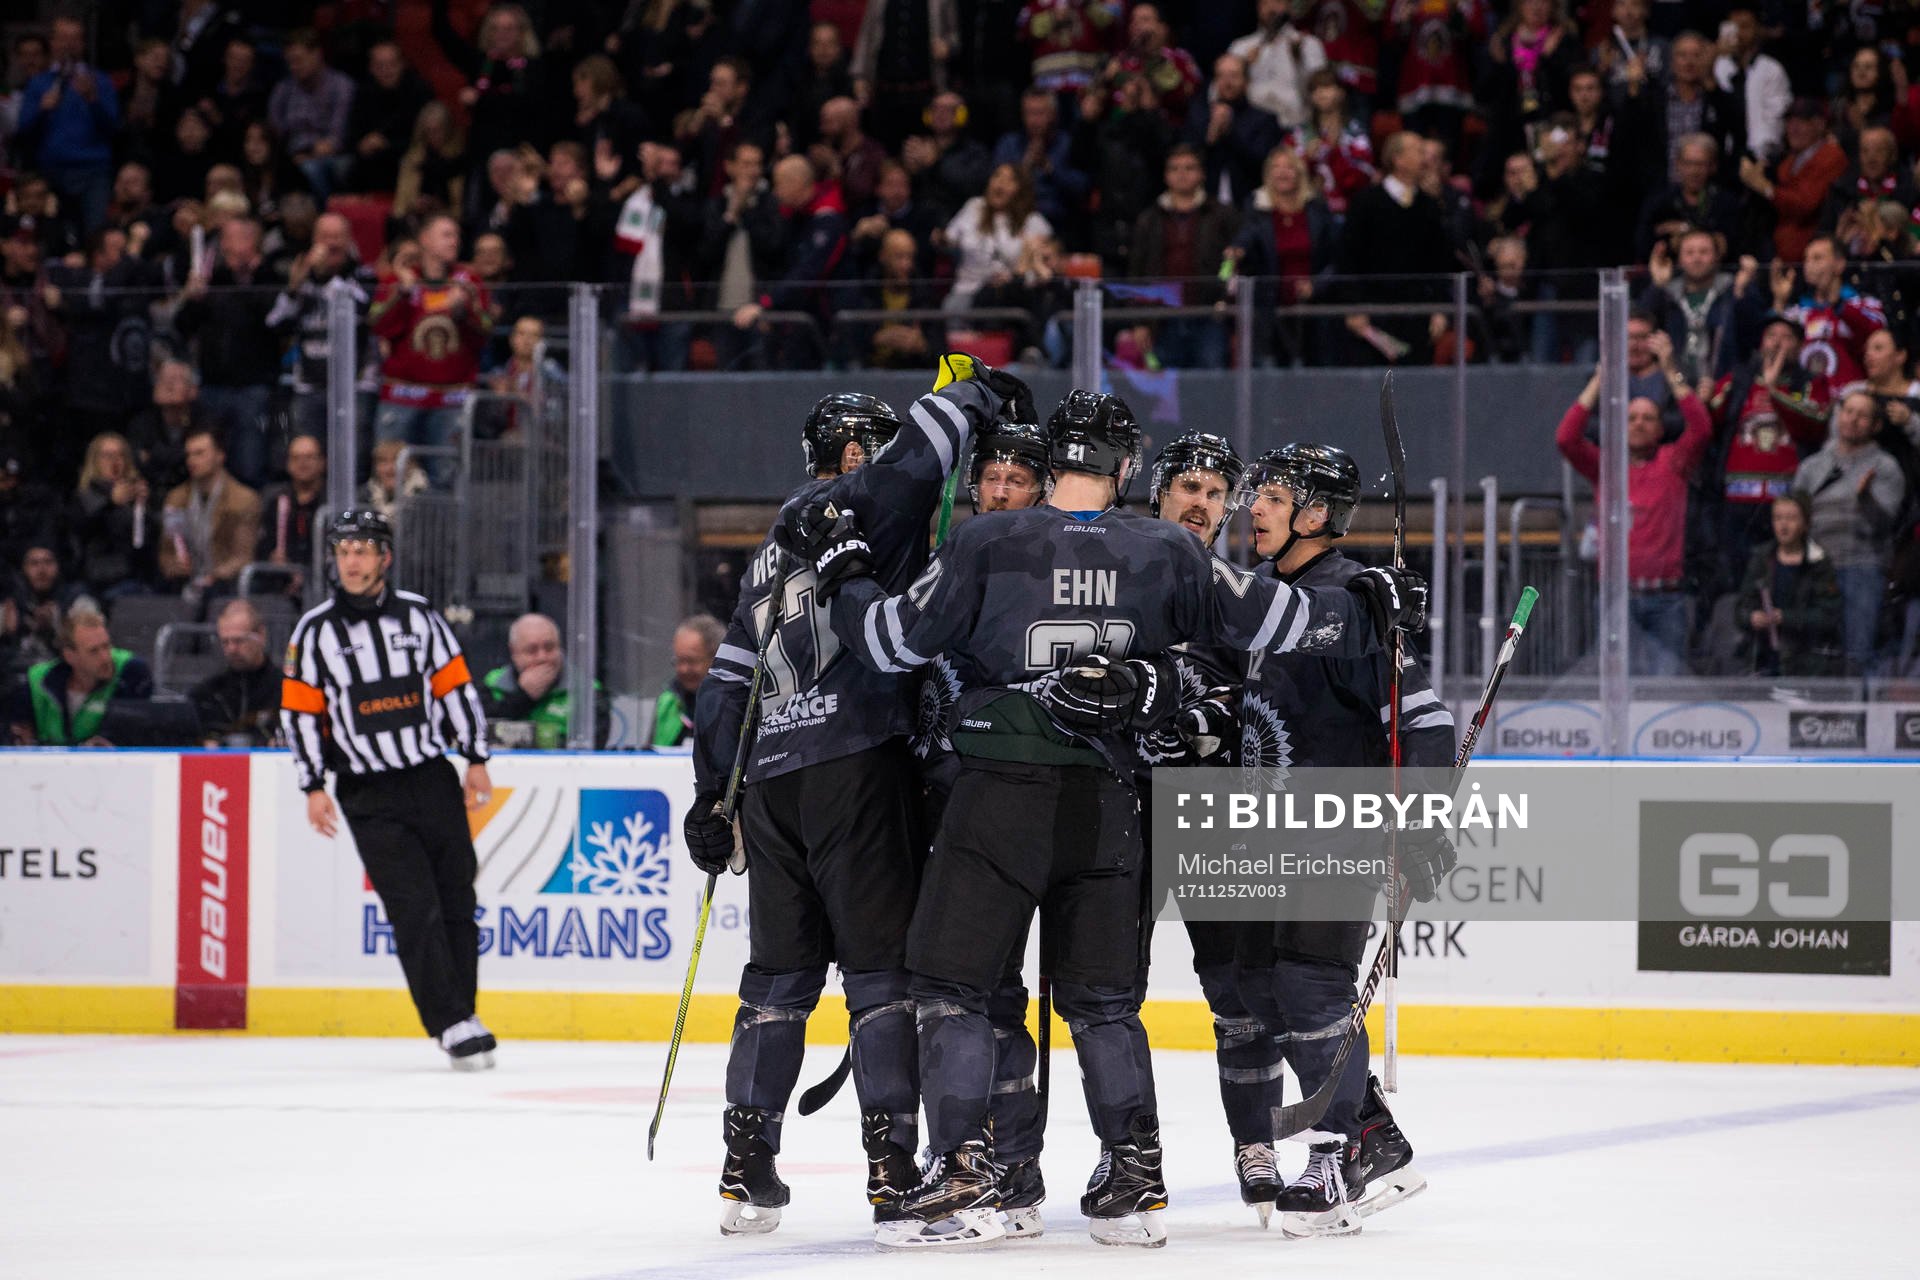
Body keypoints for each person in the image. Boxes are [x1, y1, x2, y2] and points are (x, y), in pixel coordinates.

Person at [795, 385, 1423, 1249]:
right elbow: (1290, 619)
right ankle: (1135, 1176)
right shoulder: (1168, 550)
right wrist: (1371, 606)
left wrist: (845, 574)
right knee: (1104, 1004)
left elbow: (889, 643)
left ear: (1052, 460)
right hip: (1110, 805)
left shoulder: (984, 540)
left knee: (951, 988)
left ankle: (970, 1176)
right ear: (1128, 469)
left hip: (1000, 800)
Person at [681, 373, 1017, 1240]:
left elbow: (724, 691)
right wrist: (975, 397)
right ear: (856, 452)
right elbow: (916, 465)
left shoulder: (765, 551)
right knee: (881, 979)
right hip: (855, 766)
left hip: (772, 786)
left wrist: (712, 798)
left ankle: (745, 1169)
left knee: (776, 982)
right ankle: (890, 1169)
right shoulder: (856, 504)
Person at [1234, 443, 1448, 1236]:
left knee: (1314, 990)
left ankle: (1337, 1154)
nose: (1253, 505)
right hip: (1259, 828)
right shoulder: (1261, 593)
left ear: (1315, 514)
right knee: (1256, 987)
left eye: (1273, 495)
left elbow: (1423, 720)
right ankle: (1374, 1130)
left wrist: (1421, 820)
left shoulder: (1353, 600)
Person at [1135, 432, 1289, 1224]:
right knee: (1107, 994)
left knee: (1238, 990)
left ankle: (1256, 1144)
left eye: (1216, 491)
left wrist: (1215, 714)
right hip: (1119, 806)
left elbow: (1274, 695)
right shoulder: (1109, 573)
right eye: (1188, 485)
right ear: (1156, 491)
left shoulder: (1242, 593)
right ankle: (1124, 1157)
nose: (1202, 502)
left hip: (1212, 812)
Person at [282, 509, 497, 1069]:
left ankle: (464, 1012)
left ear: (385, 557)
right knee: (412, 908)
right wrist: (312, 784)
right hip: (366, 792)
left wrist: (475, 756)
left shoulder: (421, 618)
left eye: (362, 549)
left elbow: (455, 686)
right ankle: (447, 1021)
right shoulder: (314, 632)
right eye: (343, 550)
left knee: (457, 899)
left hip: (430, 777)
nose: (351, 560)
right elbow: (300, 714)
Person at [1558, 362, 1714, 676]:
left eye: (1648, 418)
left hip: (1666, 600)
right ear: (1619, 427)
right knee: (1615, 685)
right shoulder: (1605, 466)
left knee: (1665, 689)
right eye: (1631, 418)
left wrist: (1672, 372)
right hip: (1616, 598)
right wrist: (1599, 382)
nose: (1639, 424)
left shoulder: (1674, 462)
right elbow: (1566, 438)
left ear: (1660, 429)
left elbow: (1701, 429)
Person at [368, 213, 495, 481]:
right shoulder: (399, 279)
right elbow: (377, 325)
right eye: (446, 235)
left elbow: (485, 333)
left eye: (457, 235)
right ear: (425, 240)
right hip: (402, 397)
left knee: (448, 479)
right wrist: (402, 294)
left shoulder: (469, 281)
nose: (455, 241)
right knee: (391, 476)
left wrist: (465, 312)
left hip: (452, 400)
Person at [1793, 390, 1906, 674]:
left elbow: (1885, 524)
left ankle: (1860, 716)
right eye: (1848, 411)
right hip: (1817, 571)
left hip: (1862, 568)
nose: (1853, 420)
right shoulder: (1812, 466)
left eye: (1862, 415)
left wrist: (1865, 498)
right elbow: (1795, 518)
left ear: (1875, 426)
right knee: (1809, 654)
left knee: (1858, 654)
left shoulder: (1886, 467)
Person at [15, 14, 121, 234]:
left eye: (74, 39)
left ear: (82, 43)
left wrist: (93, 101)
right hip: (51, 172)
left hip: (93, 172)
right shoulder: (39, 83)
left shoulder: (99, 81)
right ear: (53, 43)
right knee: (49, 235)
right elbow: (22, 131)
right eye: (63, 39)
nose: (68, 46)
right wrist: (42, 110)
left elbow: (114, 128)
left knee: (95, 235)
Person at [3, 605, 153, 746]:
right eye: (94, 651)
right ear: (70, 656)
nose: (105, 657)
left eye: (106, 646)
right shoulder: (38, 681)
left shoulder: (130, 672)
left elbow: (126, 735)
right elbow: (16, 735)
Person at [1736, 493, 1843, 677]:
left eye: (1791, 518)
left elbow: (1829, 616)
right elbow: (1741, 608)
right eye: (1778, 518)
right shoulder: (1762, 558)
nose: (1783, 526)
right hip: (1763, 659)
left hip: (1807, 662)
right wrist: (1752, 617)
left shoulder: (1818, 563)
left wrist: (1786, 618)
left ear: (1805, 523)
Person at [159, 428, 262, 603]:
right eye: (189, 455)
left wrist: (214, 576)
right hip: (185, 582)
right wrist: (174, 565)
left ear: (220, 456)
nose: (192, 461)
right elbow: (167, 552)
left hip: (226, 586)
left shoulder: (244, 499)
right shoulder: (175, 499)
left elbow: (243, 557)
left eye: (199, 453)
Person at [480, 611, 606, 748]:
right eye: (531, 650)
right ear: (514, 652)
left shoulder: (587, 691)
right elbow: (480, 732)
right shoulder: (493, 685)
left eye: (549, 648)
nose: (542, 657)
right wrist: (522, 697)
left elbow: (595, 743)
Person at [72, 431, 160, 599]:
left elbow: (146, 541)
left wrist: (143, 509)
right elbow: (82, 531)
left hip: (133, 576)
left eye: (121, 455)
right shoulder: (84, 496)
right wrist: (110, 503)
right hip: (95, 578)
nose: (115, 461)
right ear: (95, 461)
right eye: (107, 456)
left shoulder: (136, 496)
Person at [190, 597, 280, 745]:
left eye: (239, 641)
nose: (231, 649)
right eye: (225, 642)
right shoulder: (206, 694)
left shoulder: (285, 689)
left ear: (261, 635)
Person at [1228, 0, 1326, 131]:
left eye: (1278, 2)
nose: (1271, 8)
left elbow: (1323, 91)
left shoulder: (1309, 45)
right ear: (1258, 8)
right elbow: (1221, 91)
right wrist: (1245, 67)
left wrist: (1299, 61)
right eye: (1265, 3)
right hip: (1251, 130)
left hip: (1297, 126)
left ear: (1289, 7)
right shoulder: (1240, 47)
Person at [255, 434, 326, 597]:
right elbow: (262, 546)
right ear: (288, 463)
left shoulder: (332, 503)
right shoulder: (275, 501)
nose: (302, 463)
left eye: (309, 457)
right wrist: (271, 558)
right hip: (280, 585)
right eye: (296, 458)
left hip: (320, 586)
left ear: (323, 462)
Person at [650, 613, 723, 747]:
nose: (683, 669)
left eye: (691, 661)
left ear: (716, 658)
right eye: (679, 661)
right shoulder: (668, 703)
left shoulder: (735, 704)